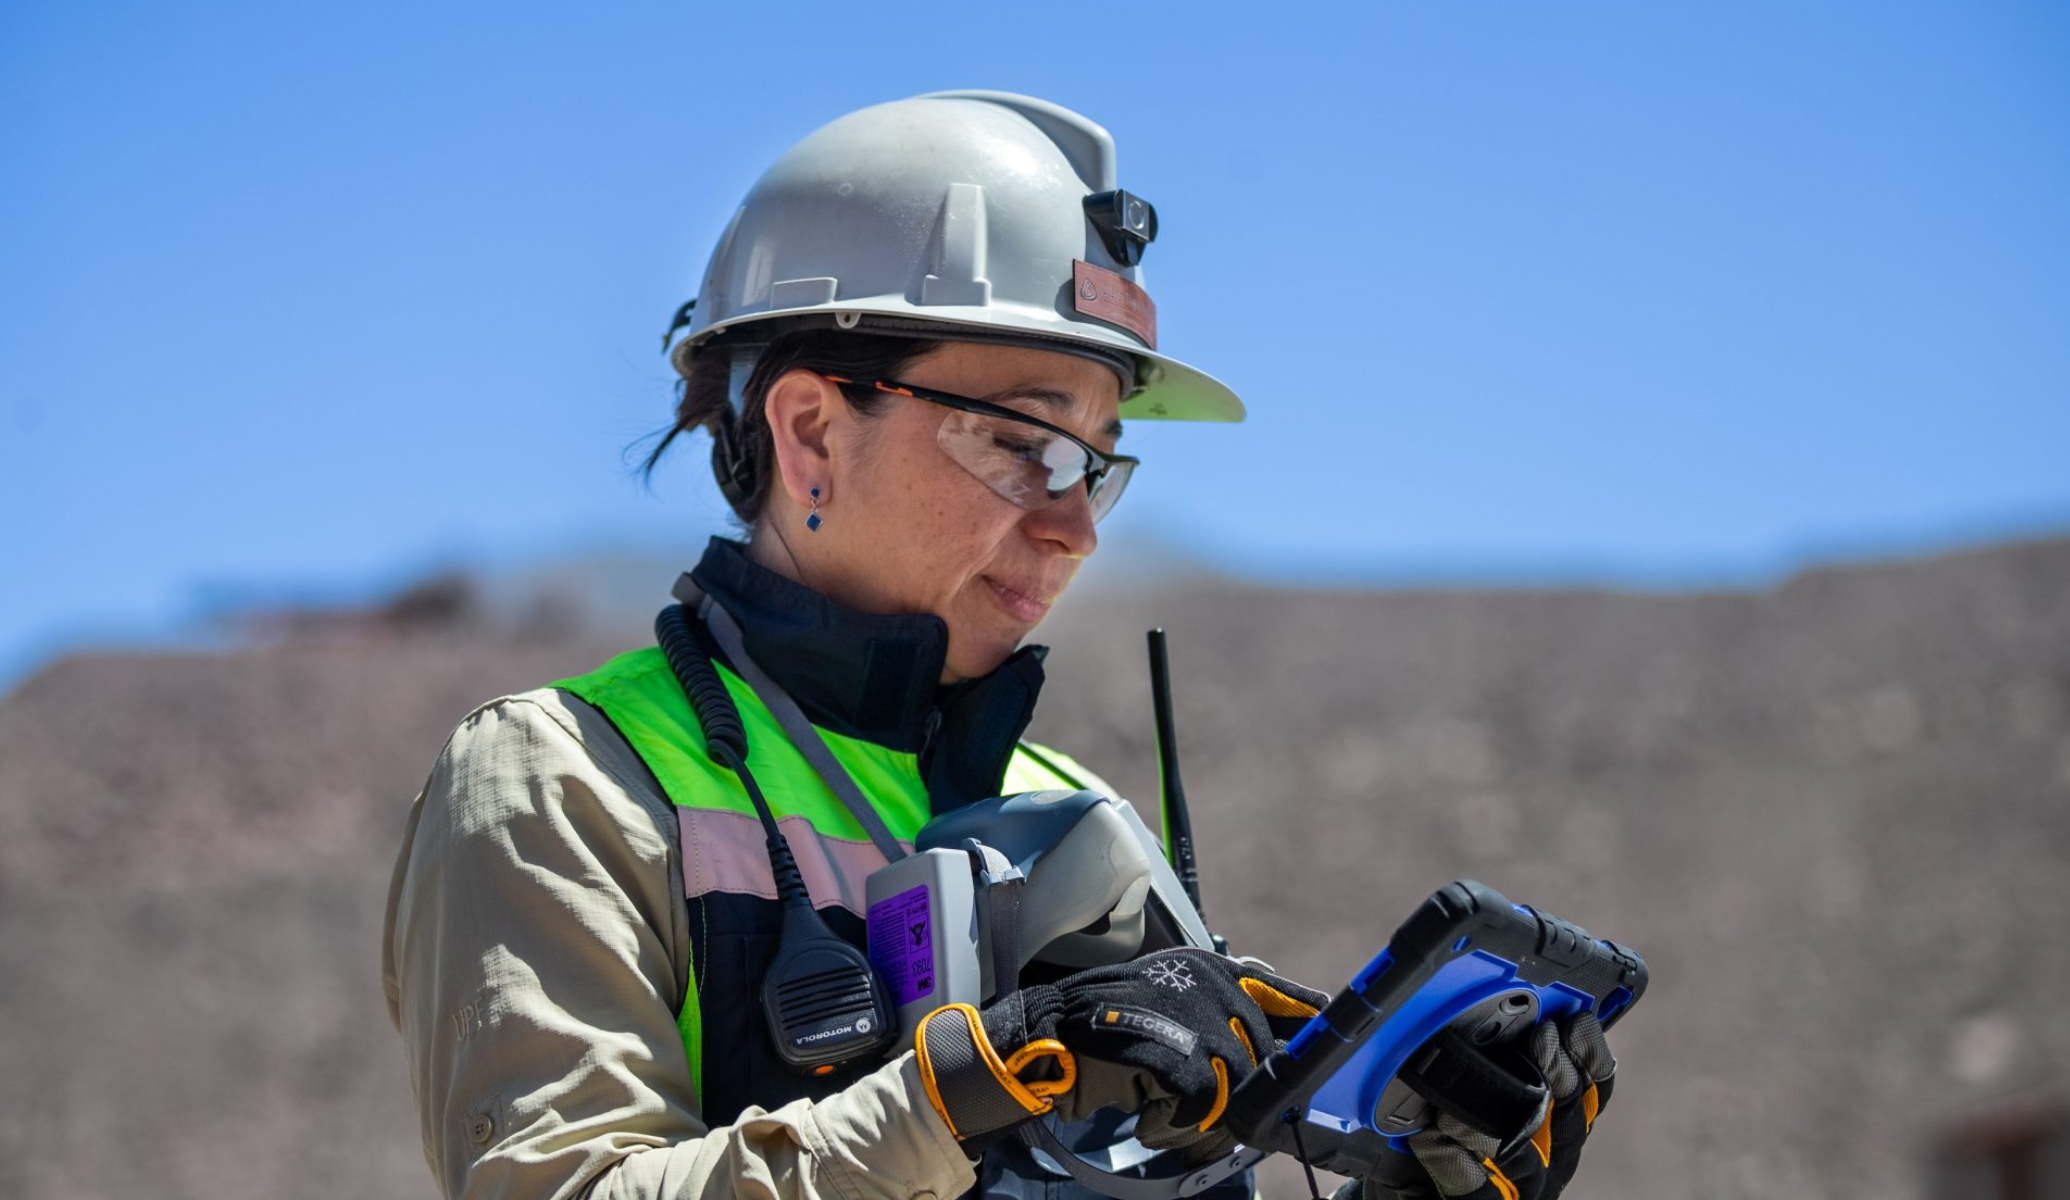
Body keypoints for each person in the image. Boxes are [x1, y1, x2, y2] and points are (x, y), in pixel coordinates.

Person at [382, 91, 1618, 1200]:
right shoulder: (567, 781)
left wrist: (1426, 1182)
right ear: (811, 431)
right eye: (1026, 444)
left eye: (1097, 466)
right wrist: (960, 1093)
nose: (1076, 527)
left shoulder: (1078, 816)